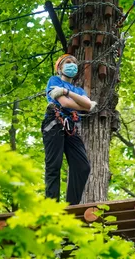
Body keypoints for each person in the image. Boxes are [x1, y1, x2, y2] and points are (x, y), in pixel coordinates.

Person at [41, 54, 97, 205]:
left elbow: (89, 106)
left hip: (71, 126)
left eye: (74, 63)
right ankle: (51, 206)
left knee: (82, 166)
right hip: (54, 122)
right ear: (59, 68)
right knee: (54, 164)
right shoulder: (54, 81)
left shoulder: (77, 90)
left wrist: (66, 92)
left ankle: (72, 206)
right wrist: (82, 104)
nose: (72, 65)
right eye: (68, 62)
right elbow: (66, 104)